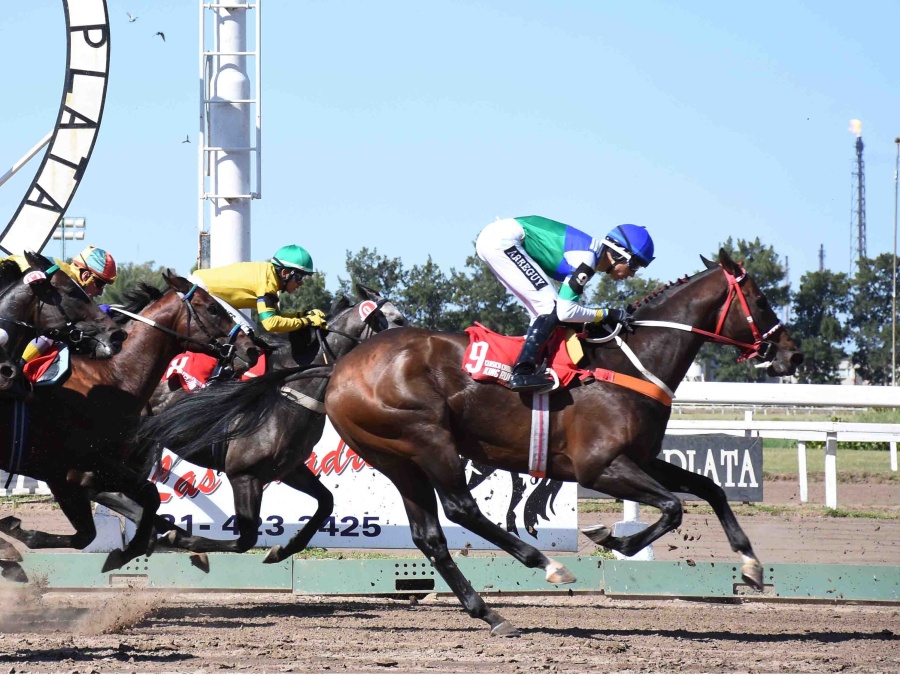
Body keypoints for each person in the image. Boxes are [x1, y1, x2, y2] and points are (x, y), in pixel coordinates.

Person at [475, 216, 655, 392]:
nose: (632, 274)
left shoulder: (589, 257)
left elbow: (565, 313)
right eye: (635, 266)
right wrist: (608, 314)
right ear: (619, 254)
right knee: (549, 306)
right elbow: (566, 312)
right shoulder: (587, 260)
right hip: (502, 241)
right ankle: (522, 372)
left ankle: (529, 365)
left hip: (498, 239)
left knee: (543, 311)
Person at [3, 245, 117, 366]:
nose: (100, 292)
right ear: (86, 276)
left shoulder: (64, 277)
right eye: (100, 284)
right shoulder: (63, 280)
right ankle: (20, 364)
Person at [188, 244, 328, 337]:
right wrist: (307, 321)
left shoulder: (269, 275)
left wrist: (302, 315)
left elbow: (277, 317)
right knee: (247, 331)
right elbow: (271, 324)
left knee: (248, 329)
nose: (301, 283)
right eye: (299, 277)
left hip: (202, 287)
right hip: (202, 291)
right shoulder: (267, 283)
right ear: (285, 273)